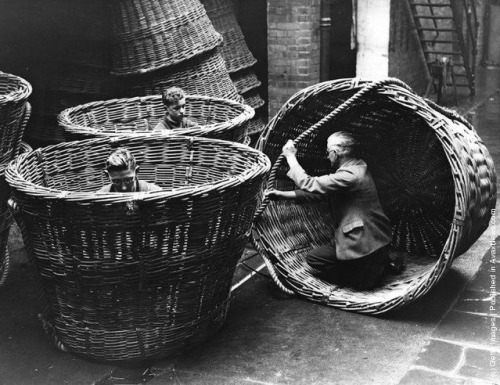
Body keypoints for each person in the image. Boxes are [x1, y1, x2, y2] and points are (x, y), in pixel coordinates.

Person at [267, 131, 393, 290]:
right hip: (376, 243)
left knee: (314, 259)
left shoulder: (350, 176)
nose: (327, 157)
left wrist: (291, 157)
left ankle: (362, 278)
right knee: (325, 256)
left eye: (328, 153)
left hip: (364, 248)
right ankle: (377, 268)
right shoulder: (357, 168)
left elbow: (309, 183)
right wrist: (282, 195)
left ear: (335, 153)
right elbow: (320, 193)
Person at [97, 148, 162, 193]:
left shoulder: (154, 192)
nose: (123, 188)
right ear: (107, 176)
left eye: (128, 180)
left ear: (136, 172)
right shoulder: (100, 196)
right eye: (116, 181)